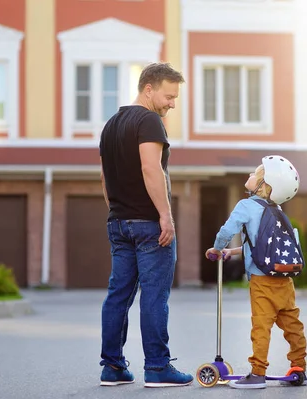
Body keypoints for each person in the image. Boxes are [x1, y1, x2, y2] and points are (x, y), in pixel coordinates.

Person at [98, 62, 193, 388]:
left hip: (119, 223)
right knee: (154, 296)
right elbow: (151, 168)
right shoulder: (149, 121)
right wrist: (164, 216)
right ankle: (157, 367)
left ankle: (112, 367)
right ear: (148, 89)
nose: (172, 103)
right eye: (168, 96)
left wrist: (117, 212)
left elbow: (104, 177)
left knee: (118, 296)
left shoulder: (111, 125)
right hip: (150, 226)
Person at [205, 155, 307, 389]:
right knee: (292, 325)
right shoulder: (277, 210)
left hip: (261, 281)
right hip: (284, 280)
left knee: (261, 327)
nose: (250, 176)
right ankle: (298, 367)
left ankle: (258, 372)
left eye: (254, 174)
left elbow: (226, 230)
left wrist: (217, 248)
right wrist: (232, 252)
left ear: (263, 184)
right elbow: (259, 245)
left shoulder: (246, 206)